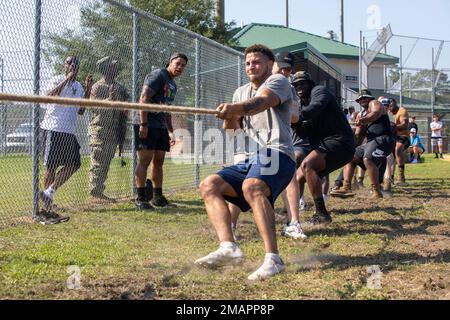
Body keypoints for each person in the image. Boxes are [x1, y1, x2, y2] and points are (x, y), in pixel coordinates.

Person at [195, 44, 296, 280]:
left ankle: (274, 258)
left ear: (271, 65)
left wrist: (236, 109)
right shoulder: (240, 92)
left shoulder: (278, 81)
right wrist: (230, 116)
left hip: (278, 152)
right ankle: (228, 248)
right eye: (248, 62)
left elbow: (261, 103)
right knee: (209, 184)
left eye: (257, 62)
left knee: (253, 185)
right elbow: (232, 131)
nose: (252, 66)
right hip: (250, 158)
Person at [292, 71, 355, 227]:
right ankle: (290, 213)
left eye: (302, 83)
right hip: (326, 145)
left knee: (308, 165)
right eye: (296, 85)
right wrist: (294, 123)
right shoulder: (301, 104)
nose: (299, 87)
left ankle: (321, 214)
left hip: (341, 141)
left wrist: (293, 114)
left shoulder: (319, 91)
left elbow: (315, 108)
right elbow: (303, 132)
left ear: (310, 83)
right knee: (296, 177)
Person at [38, 56, 93, 224]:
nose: (72, 66)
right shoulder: (56, 79)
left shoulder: (78, 87)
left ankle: (49, 192)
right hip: (53, 128)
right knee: (52, 166)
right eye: (69, 63)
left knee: (74, 163)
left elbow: (81, 110)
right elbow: (51, 96)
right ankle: (46, 206)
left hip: (69, 131)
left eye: (75, 64)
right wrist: (66, 80)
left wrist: (88, 90)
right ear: (65, 65)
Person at [134, 53, 188, 210]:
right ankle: (141, 198)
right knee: (144, 160)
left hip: (161, 126)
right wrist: (144, 124)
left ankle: (157, 197)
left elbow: (167, 109)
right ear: (169, 63)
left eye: (183, 65)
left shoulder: (173, 85)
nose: (180, 67)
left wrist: (171, 131)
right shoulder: (158, 75)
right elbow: (143, 98)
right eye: (177, 63)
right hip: (147, 123)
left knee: (159, 161)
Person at [331, 90, 395, 199]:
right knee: (350, 158)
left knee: (367, 158)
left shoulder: (375, 104)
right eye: (360, 99)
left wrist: (362, 120)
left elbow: (376, 113)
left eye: (364, 98)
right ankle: (346, 188)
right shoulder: (362, 115)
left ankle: (376, 191)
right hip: (371, 143)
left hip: (384, 140)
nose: (362, 101)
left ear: (370, 98)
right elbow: (358, 137)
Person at [88, 56, 130, 203]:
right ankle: (95, 193)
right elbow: (93, 107)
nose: (116, 69)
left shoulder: (120, 87)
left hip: (114, 130)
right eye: (112, 67)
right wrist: (108, 100)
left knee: (106, 163)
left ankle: (99, 191)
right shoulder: (98, 87)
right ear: (105, 69)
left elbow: (127, 103)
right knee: (98, 162)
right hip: (100, 130)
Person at [387, 98, 409, 185]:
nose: (390, 105)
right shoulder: (387, 113)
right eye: (388, 104)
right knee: (389, 154)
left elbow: (405, 125)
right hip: (391, 137)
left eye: (391, 103)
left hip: (403, 136)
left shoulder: (402, 111)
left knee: (398, 148)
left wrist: (393, 127)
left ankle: (401, 177)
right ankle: (389, 177)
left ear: (395, 102)